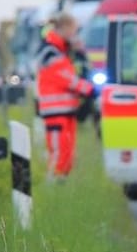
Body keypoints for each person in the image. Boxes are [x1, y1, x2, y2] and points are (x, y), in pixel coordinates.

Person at [35, 12, 95, 180]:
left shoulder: (60, 51)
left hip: (65, 111)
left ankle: (60, 188)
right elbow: (66, 79)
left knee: (67, 155)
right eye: (74, 30)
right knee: (58, 154)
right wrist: (90, 90)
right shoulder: (50, 52)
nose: (75, 35)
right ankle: (52, 188)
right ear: (65, 28)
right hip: (55, 112)